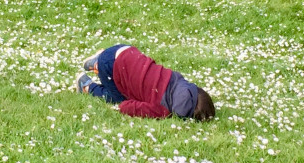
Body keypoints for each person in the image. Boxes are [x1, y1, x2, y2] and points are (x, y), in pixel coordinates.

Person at [76, 44, 215, 121]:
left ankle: (99, 60)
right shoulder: (162, 109)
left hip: (125, 50)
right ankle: (86, 86)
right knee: (117, 98)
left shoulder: (177, 79)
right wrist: (124, 105)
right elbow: (128, 107)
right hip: (111, 67)